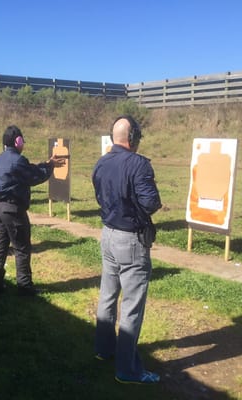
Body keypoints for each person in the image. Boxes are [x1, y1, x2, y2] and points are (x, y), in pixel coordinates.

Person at [91, 115, 162, 385]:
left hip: (108, 234)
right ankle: (128, 370)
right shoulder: (138, 164)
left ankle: (104, 349)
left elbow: (100, 194)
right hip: (130, 240)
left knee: (107, 296)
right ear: (132, 138)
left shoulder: (101, 162)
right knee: (132, 305)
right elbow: (151, 202)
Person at [0, 125, 65, 295]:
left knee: (0, 246)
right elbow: (34, 176)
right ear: (18, 141)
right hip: (12, 210)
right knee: (21, 248)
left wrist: (46, 164)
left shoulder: (2, 158)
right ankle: (24, 286)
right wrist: (50, 166)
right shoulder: (18, 160)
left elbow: (28, 169)